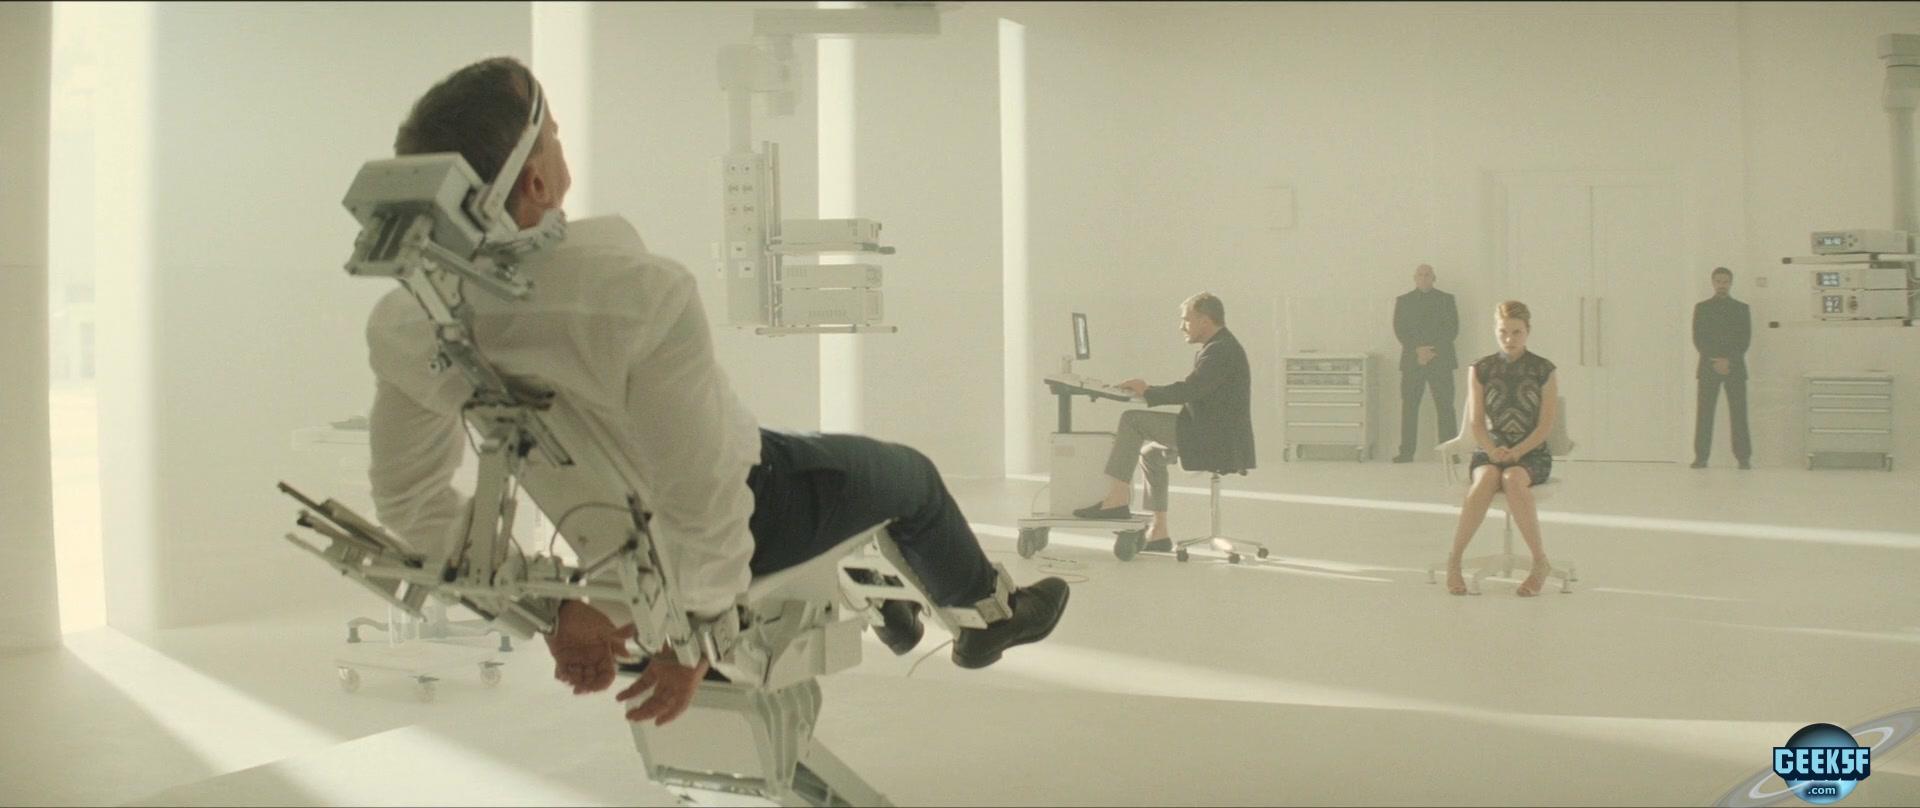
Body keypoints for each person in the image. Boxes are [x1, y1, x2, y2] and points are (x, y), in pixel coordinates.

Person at [365, 57, 1068, 727]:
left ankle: (894, 613)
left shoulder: (408, 323)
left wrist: (553, 610)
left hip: (609, 549)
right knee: (911, 478)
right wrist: (695, 635)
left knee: (815, 455)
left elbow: (409, 503)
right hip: (754, 508)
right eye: (551, 132)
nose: (559, 138)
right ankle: (990, 616)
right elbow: (704, 498)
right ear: (538, 184)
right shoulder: (637, 295)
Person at [1070, 292, 1254, 552]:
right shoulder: (1220, 346)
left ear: (1204, 320)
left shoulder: (1220, 350)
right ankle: (1159, 533)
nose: (1181, 326)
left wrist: (1147, 390)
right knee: (1150, 454)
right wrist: (1147, 391)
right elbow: (1196, 391)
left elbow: (1189, 390)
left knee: (1132, 420)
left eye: (1186, 319)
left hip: (1211, 436)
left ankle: (1116, 500)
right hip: (1215, 432)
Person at [1442, 300, 1558, 598]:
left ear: (1527, 331)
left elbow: (1545, 425)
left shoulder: (1544, 369)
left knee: (1512, 479)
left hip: (1532, 451)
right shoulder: (1481, 369)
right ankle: (1454, 560)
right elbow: (1476, 422)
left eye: (1516, 332)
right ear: (1496, 331)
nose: (1509, 339)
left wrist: (1518, 451)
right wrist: (1493, 450)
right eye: (1503, 332)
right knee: (1486, 479)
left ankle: (1539, 562)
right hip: (1491, 447)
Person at [1392, 263, 1459, 462]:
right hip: (1413, 362)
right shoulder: (1403, 301)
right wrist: (1417, 350)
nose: (1424, 277)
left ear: (1434, 278)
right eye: (1420, 275)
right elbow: (1400, 329)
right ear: (1415, 278)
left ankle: (1450, 453)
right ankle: (1406, 453)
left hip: (1441, 360)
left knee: (1445, 407)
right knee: (1409, 407)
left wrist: (1432, 351)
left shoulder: (1447, 300)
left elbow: (1452, 329)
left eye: (1427, 274)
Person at [1691, 266, 1752, 470]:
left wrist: (1728, 361)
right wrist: (1716, 361)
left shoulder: (1742, 309)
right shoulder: (1702, 308)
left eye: (1725, 281)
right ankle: (1701, 457)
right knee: (1704, 413)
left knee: (1739, 413)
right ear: (1713, 282)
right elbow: (1698, 338)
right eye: (1718, 281)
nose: (1721, 285)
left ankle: (1743, 458)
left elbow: (1745, 339)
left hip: (1735, 367)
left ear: (1731, 283)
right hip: (1708, 366)